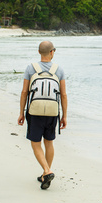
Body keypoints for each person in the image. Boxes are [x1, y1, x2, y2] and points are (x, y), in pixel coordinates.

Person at [18, 41, 67, 190]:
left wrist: (21, 112)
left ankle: (47, 171)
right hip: (52, 112)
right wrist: (64, 115)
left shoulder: (30, 68)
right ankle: (46, 172)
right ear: (52, 52)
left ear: (39, 52)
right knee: (49, 142)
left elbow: (24, 92)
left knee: (35, 143)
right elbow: (63, 95)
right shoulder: (59, 70)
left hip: (35, 111)